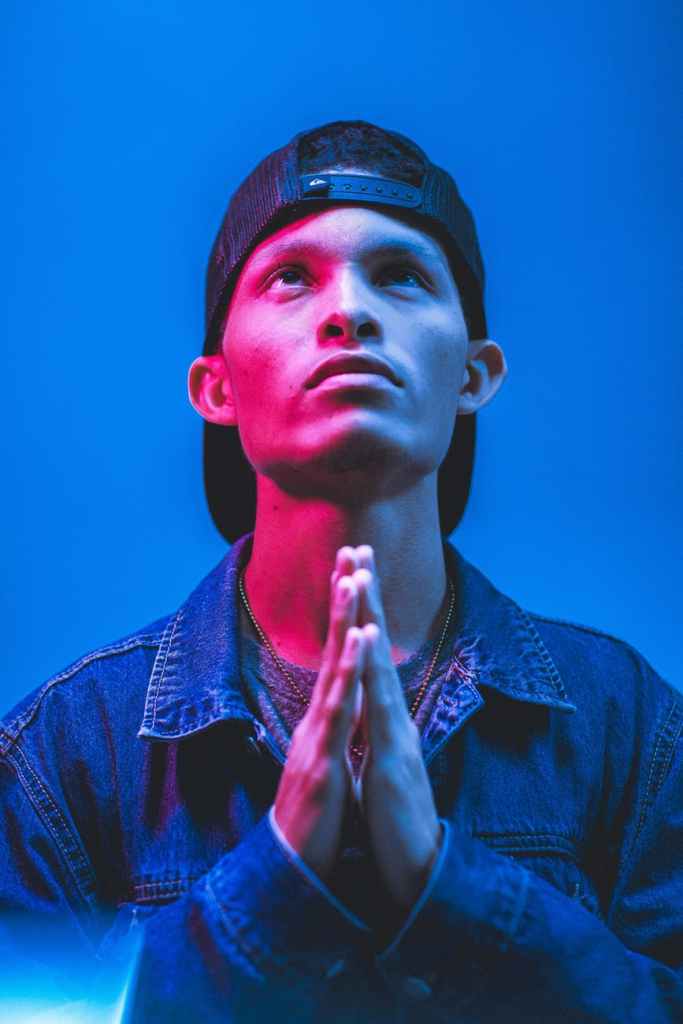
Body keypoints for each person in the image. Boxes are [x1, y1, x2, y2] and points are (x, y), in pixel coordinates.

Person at [1, 119, 681, 1023]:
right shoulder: (64, 755)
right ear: (216, 387)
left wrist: (452, 890)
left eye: (400, 275)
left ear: (474, 374)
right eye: (291, 277)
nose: (350, 312)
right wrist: (273, 884)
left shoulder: (627, 728)